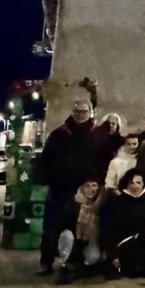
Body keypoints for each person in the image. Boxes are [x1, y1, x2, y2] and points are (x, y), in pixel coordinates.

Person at [36, 96, 100, 275]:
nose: (80, 115)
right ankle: (46, 261)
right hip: (60, 189)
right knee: (52, 226)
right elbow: (45, 159)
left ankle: (74, 262)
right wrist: (46, 179)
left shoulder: (97, 134)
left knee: (80, 228)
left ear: (90, 113)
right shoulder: (59, 134)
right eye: (77, 111)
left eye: (84, 112)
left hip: (87, 191)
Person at [51, 179, 105, 285]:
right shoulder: (71, 205)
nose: (91, 189)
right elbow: (58, 228)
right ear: (81, 188)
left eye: (94, 185)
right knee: (67, 235)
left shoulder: (102, 206)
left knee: (94, 258)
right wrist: (55, 252)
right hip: (73, 241)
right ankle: (66, 264)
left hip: (92, 242)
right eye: (87, 186)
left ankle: (75, 269)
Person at [92, 112, 124, 183]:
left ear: (117, 126)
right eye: (108, 123)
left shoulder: (122, 141)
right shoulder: (97, 138)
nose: (110, 125)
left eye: (113, 123)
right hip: (98, 173)